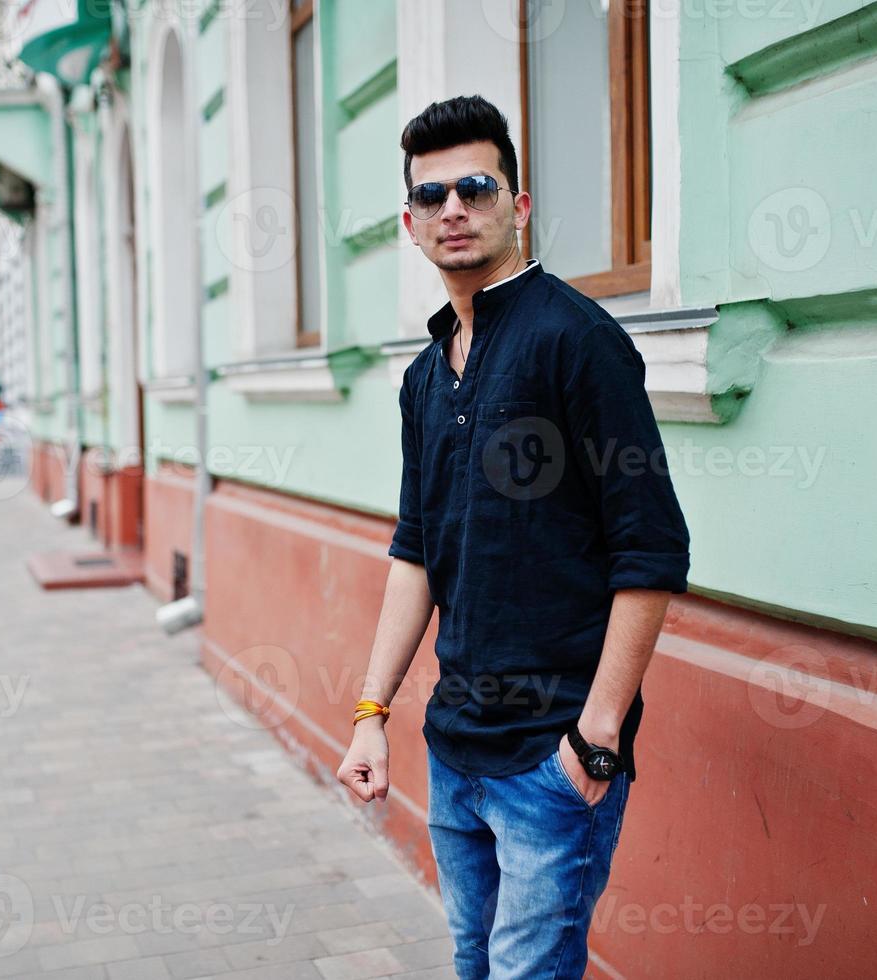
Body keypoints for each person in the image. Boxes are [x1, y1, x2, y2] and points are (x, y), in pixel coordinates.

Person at [335, 95, 691, 979]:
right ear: (410, 225)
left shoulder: (577, 341)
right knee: (471, 963)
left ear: (517, 206)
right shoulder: (424, 375)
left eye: (475, 185)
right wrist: (370, 716)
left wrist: (594, 741)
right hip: (455, 751)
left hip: (551, 757)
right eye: (430, 196)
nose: (452, 207)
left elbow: (651, 551)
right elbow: (415, 550)